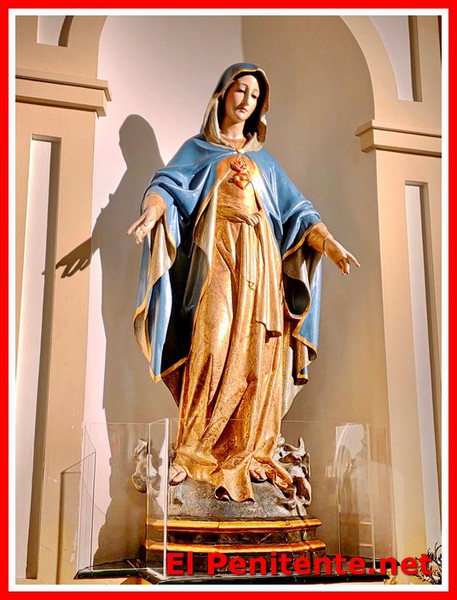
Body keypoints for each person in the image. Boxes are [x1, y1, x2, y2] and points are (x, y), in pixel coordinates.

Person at [127, 63, 359, 503]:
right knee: (211, 344)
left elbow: (297, 211)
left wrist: (327, 243)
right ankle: (193, 451)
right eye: (241, 90)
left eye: (255, 95)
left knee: (259, 352)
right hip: (217, 253)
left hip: (261, 258)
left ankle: (250, 451)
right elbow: (169, 188)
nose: (247, 100)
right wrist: (152, 211)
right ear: (222, 94)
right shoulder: (197, 150)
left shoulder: (265, 162)